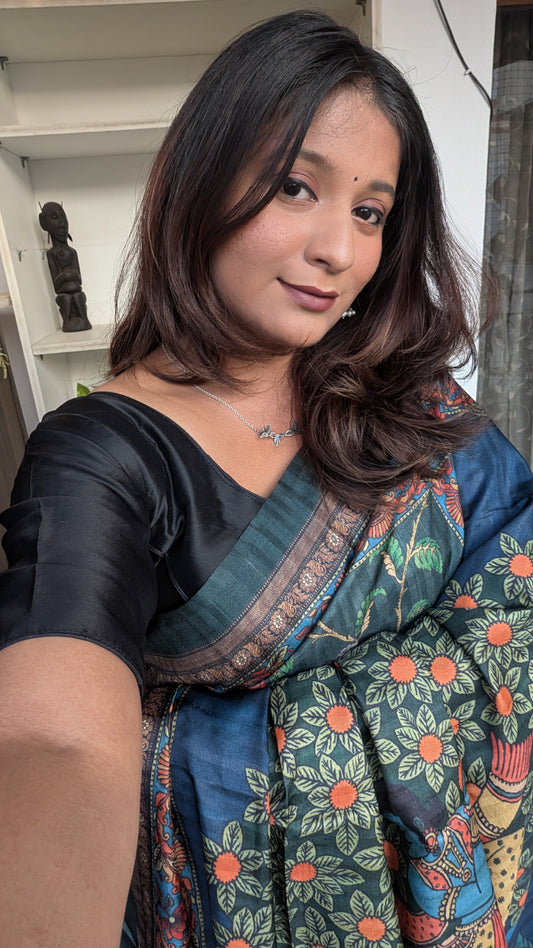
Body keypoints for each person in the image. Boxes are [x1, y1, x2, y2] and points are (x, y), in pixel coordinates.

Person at [1, 10, 532, 948]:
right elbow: (57, 738)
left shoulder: (403, 395)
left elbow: (513, 563)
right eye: (295, 186)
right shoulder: (101, 454)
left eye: (369, 212)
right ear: (200, 183)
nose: (339, 251)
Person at [38, 201, 92, 332]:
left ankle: (84, 320)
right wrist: (65, 276)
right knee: (65, 299)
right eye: (55, 217)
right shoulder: (51, 254)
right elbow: (56, 285)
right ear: (43, 222)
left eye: (63, 217)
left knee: (79, 297)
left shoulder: (73, 252)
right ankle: (67, 322)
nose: (62, 224)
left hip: (77, 290)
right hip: (63, 293)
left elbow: (79, 280)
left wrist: (71, 275)